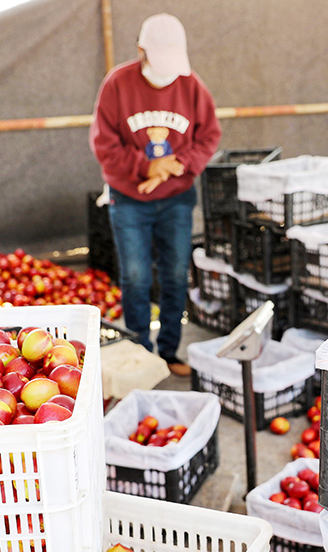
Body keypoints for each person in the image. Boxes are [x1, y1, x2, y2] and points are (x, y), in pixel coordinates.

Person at [90, 13, 222, 376]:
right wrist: (148, 167)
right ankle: (140, 353)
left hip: (176, 200)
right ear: (141, 51)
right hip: (129, 200)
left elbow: (209, 134)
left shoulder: (191, 84)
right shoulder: (118, 84)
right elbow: (104, 144)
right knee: (135, 276)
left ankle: (169, 351)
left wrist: (178, 164)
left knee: (176, 273)